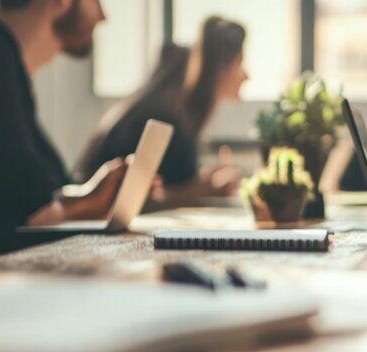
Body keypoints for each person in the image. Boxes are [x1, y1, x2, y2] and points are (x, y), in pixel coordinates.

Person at [0, 0, 122, 264]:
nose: (102, 16)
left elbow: (30, 190)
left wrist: (87, 198)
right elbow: (27, 207)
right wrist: (86, 201)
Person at [77, 16, 246, 209]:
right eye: (240, 63)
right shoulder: (163, 120)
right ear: (221, 67)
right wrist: (198, 191)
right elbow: (134, 201)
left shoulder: (167, 112)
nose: (246, 76)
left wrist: (201, 184)